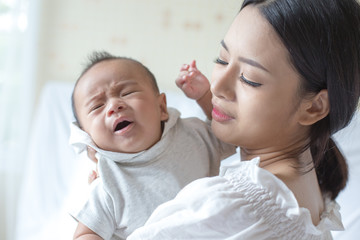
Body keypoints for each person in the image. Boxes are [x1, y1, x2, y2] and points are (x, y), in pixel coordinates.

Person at [128, 0, 360, 239]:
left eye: (249, 79)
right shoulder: (312, 195)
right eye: (222, 60)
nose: (217, 86)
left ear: (314, 107)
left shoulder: (229, 205)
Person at [69, 51, 236, 240]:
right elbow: (86, 233)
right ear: (88, 139)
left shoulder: (192, 134)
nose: (114, 105)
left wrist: (205, 96)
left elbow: (230, 137)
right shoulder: (108, 184)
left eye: (127, 93)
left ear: (161, 108)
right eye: (97, 106)